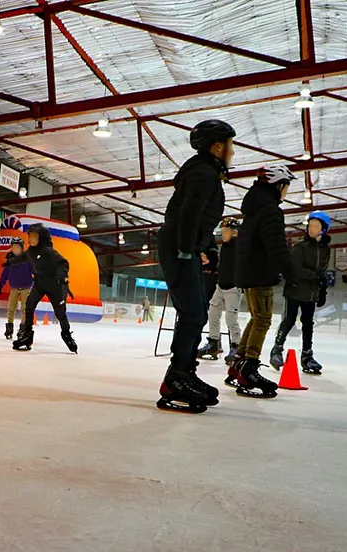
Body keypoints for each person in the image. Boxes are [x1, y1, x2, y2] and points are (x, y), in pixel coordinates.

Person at [155, 119, 235, 414]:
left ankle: (185, 371)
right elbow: (187, 215)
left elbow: (200, 218)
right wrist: (187, 250)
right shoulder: (203, 173)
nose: (232, 152)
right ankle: (176, 377)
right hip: (178, 249)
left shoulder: (206, 172)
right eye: (230, 146)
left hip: (183, 248)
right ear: (217, 146)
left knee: (196, 312)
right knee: (193, 314)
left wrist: (207, 248)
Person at [233, 165, 297, 399]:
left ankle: (238, 363)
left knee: (256, 317)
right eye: (287, 186)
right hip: (259, 274)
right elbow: (277, 246)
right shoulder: (271, 211)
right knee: (263, 320)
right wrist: (291, 274)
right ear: (279, 185)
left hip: (248, 273)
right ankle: (249, 368)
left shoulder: (253, 208)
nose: (287, 192)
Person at [269, 210, 331, 375]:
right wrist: (315, 276)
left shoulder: (325, 249)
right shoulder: (300, 246)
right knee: (289, 320)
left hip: (310, 292)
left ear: (323, 229)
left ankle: (307, 355)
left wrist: (321, 289)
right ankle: (277, 349)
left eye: (316, 226)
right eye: (310, 225)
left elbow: (322, 271)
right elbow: (296, 268)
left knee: (308, 323)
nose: (312, 229)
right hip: (295, 289)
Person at [8, 224, 77, 353]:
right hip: (40, 283)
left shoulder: (48, 251)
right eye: (30, 236)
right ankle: (27, 335)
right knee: (29, 305)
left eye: (34, 236)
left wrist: (62, 277)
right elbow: (22, 258)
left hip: (54, 285)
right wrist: (9, 262)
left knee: (60, 313)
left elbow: (63, 263)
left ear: (42, 238)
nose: (31, 239)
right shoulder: (30, 251)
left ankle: (66, 334)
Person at [198, 217, 241, 369]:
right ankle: (213, 342)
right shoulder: (226, 245)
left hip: (233, 288)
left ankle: (236, 346)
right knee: (213, 313)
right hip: (220, 286)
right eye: (222, 231)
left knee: (231, 318)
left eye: (226, 231)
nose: (223, 234)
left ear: (235, 232)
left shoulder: (239, 246)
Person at [0, 237, 34, 340]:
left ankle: (23, 328)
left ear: (22, 248)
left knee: (24, 309)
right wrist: (0, 285)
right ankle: (9, 326)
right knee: (11, 308)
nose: (15, 249)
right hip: (14, 288)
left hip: (26, 287)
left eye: (17, 247)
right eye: (13, 247)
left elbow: (35, 271)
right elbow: (4, 274)